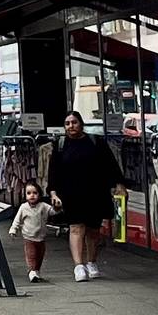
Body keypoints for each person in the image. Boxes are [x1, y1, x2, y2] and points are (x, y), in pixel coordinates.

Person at [47, 111, 120, 281]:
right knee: (76, 227)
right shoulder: (60, 144)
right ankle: (78, 266)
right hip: (71, 193)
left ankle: (91, 262)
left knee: (93, 230)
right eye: (67, 123)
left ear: (81, 124)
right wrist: (53, 192)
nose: (71, 126)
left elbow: (110, 164)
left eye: (74, 122)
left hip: (95, 192)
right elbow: (53, 171)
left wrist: (119, 184)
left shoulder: (96, 142)